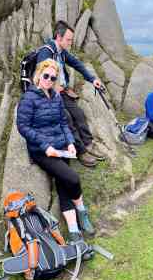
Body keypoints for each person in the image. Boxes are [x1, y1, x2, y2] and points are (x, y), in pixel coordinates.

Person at [16, 59, 95, 242]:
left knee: (64, 185)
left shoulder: (56, 96)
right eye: (46, 76)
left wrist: (70, 143)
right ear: (38, 75)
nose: (49, 80)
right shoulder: (29, 98)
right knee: (73, 178)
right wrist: (46, 146)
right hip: (42, 151)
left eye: (53, 77)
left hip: (61, 148)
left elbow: (63, 123)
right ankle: (82, 210)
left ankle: (74, 230)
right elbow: (23, 127)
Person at [35, 20, 106, 168]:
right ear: (58, 38)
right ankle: (80, 152)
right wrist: (54, 87)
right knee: (66, 118)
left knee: (79, 113)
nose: (70, 42)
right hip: (48, 95)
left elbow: (77, 64)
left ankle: (89, 144)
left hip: (62, 93)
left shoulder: (62, 52)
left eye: (71, 39)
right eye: (68, 39)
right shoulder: (46, 52)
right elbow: (41, 76)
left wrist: (92, 79)